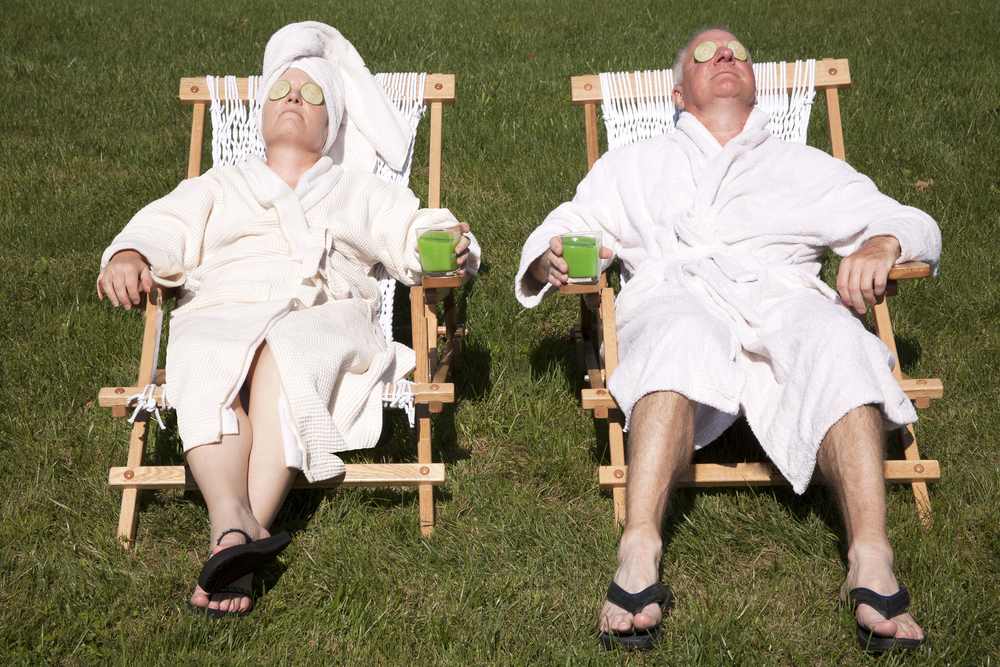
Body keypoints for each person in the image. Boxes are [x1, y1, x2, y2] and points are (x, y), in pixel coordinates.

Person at [516, 27, 938, 651]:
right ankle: (640, 545)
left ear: (755, 83)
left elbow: (907, 218)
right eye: (705, 54)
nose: (724, 58)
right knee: (678, 333)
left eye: (738, 53)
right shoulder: (634, 164)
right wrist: (551, 256)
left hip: (781, 299)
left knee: (836, 339)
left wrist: (883, 244)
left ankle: (871, 555)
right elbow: (565, 224)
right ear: (679, 93)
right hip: (675, 294)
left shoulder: (802, 165)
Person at [97, 22, 479, 618]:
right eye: (280, 91)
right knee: (200, 356)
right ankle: (234, 532)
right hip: (222, 312)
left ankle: (233, 539)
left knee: (285, 348)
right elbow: (163, 226)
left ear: (331, 127)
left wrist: (448, 243)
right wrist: (130, 254)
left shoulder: (359, 190)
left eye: (313, 94)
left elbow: (414, 230)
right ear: (261, 114)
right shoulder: (219, 184)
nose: (294, 99)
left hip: (324, 318)